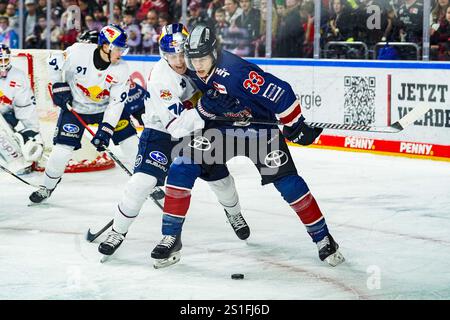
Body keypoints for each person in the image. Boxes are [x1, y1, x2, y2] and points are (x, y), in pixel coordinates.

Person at [151, 24, 345, 268]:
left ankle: (323, 238)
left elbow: (281, 92)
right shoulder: (189, 67)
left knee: (289, 183)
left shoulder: (236, 71)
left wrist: (295, 124)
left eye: (202, 58)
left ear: (214, 52)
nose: (197, 65)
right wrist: (202, 108)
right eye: (193, 59)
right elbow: (174, 89)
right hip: (221, 130)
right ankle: (170, 236)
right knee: (182, 165)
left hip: (259, 132)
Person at [97, 24, 250, 263]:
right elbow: (177, 126)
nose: (178, 61)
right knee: (141, 183)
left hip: (200, 130)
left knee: (221, 181)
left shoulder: (201, 61)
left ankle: (235, 214)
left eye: (182, 54)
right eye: (171, 55)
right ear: (162, 54)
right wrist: (208, 106)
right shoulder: (160, 78)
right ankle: (118, 231)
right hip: (162, 132)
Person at [28, 24, 137, 204]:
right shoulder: (78, 52)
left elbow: (116, 104)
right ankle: (47, 186)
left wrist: (106, 130)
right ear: (105, 46)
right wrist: (58, 86)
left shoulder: (122, 69)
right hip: (76, 108)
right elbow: (53, 62)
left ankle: (148, 184)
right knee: (60, 152)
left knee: (132, 143)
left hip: (105, 110)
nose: (121, 53)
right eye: (118, 48)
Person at [0, 43, 43, 174]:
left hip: (6, 116)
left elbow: (25, 106)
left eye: (5, 59)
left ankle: (14, 161)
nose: (2, 63)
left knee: (4, 135)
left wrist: (33, 131)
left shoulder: (18, 77)